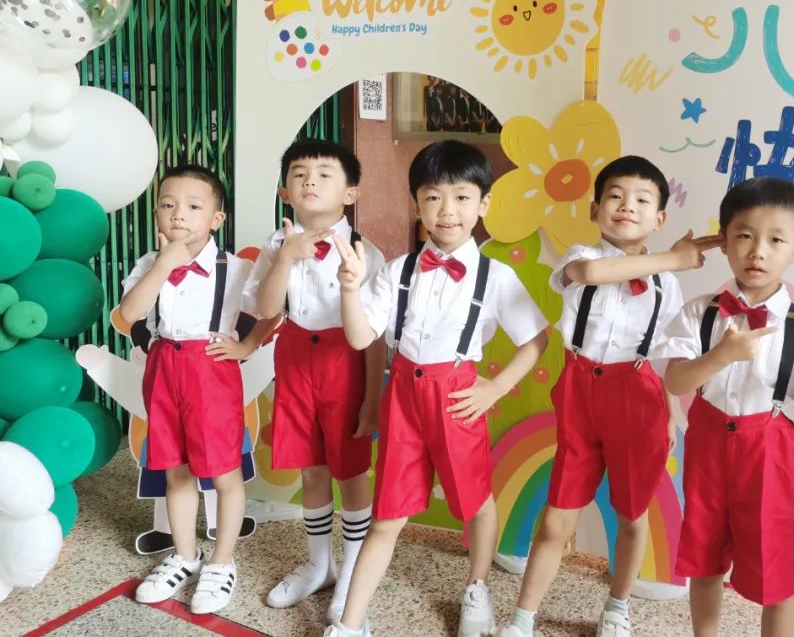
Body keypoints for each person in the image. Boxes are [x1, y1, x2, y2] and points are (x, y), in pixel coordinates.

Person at [327, 140, 549, 637]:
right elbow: (361, 337)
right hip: (403, 396)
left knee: (476, 503)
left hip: (457, 398)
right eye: (433, 197)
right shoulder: (399, 271)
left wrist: (496, 388)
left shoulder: (496, 276)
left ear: (483, 204)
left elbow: (536, 339)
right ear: (417, 204)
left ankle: (476, 588)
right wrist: (349, 289)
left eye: (462, 197)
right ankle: (350, 623)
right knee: (387, 515)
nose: (447, 210)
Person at [498, 155, 718, 637]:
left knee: (633, 515)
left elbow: (665, 356)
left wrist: (669, 413)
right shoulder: (579, 256)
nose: (627, 206)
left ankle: (617, 609)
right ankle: (522, 619)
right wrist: (675, 257)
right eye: (615, 196)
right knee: (557, 517)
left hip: (638, 397)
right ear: (595, 209)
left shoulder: (667, 285)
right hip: (580, 391)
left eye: (642, 200)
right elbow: (592, 274)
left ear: (660, 218)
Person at [661, 177, 794, 637]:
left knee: (775, 569)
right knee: (704, 554)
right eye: (744, 235)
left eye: (776, 240)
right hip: (708, 444)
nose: (758, 251)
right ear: (724, 241)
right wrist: (721, 355)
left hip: (771, 450)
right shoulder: (700, 311)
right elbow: (676, 380)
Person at [122, 165, 277, 614]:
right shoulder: (149, 264)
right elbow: (129, 314)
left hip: (210, 372)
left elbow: (272, 309)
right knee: (176, 470)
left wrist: (245, 345)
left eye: (193, 206)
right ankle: (185, 556)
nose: (178, 215)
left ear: (216, 218)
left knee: (224, 473)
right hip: (163, 369)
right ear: (156, 213)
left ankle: (222, 562)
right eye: (167, 205)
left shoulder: (235, 269)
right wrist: (164, 264)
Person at [245, 139, 386, 622]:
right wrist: (286, 257)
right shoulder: (275, 244)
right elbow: (266, 310)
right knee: (311, 468)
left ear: (351, 193)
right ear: (284, 192)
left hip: (346, 363)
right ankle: (319, 565)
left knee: (350, 471)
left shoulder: (367, 253)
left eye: (326, 174)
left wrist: (371, 399)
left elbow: (375, 337)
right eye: (300, 172)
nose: (311, 180)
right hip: (295, 359)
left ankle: (352, 574)